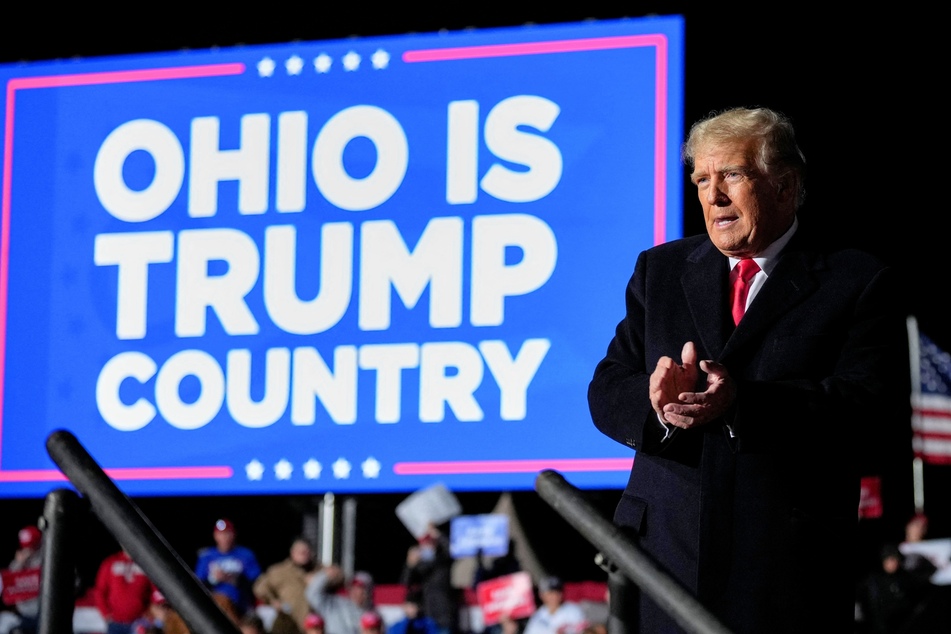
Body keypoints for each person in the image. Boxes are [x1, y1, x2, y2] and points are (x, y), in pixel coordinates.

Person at [587, 106, 911, 633]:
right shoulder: (661, 270)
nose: (712, 197)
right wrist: (658, 406)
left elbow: (870, 404)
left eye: (731, 176)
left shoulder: (856, 280)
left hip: (783, 571)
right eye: (701, 180)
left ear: (785, 185)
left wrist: (744, 404)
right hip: (663, 561)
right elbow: (606, 387)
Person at [195, 518, 262, 619]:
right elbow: (198, 584)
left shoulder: (245, 554)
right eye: (220, 534)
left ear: (234, 534)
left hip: (240, 605)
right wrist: (213, 579)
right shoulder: (206, 556)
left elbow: (257, 582)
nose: (224, 538)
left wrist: (234, 579)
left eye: (227, 533)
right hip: (214, 604)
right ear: (215, 536)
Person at [400, 523, 458, 634]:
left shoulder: (443, 561)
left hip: (444, 618)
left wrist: (438, 535)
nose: (427, 547)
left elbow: (453, 550)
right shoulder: (420, 567)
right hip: (426, 618)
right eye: (424, 545)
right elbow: (405, 584)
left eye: (430, 544)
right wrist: (409, 565)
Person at [254, 536, 318, 632]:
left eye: (306, 551)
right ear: (292, 552)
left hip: (311, 626)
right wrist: (273, 601)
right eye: (300, 552)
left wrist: (323, 578)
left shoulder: (318, 570)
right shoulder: (280, 571)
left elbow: (339, 576)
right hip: (287, 623)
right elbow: (260, 588)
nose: (304, 554)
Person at [92, 547, 157, 634]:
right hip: (115, 622)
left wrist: (152, 611)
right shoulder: (110, 562)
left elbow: (155, 590)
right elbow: (99, 591)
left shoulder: (146, 564)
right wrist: (105, 613)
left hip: (140, 621)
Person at [1, 525, 43, 634]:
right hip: (25, 614)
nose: (28, 549)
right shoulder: (21, 559)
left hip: (43, 612)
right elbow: (9, 582)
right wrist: (20, 563)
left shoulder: (44, 557)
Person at [304, 564, 362, 634]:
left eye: (361, 589)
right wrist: (325, 575)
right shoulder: (331, 603)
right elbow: (312, 594)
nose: (358, 592)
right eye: (354, 588)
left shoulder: (367, 608)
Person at [521, 577, 586, 634]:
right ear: (541, 595)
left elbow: (584, 630)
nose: (554, 596)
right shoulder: (537, 616)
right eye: (550, 593)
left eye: (557, 592)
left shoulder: (573, 610)